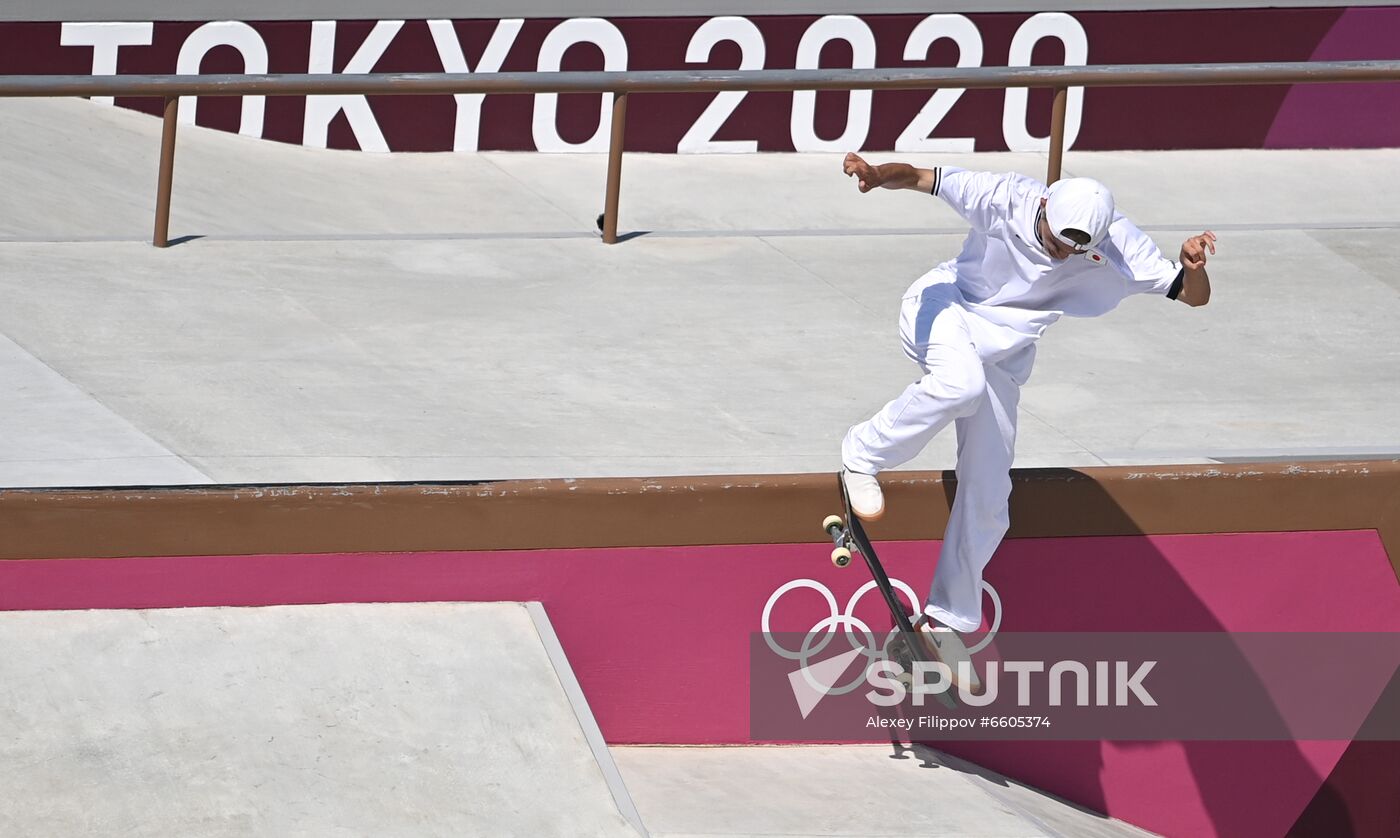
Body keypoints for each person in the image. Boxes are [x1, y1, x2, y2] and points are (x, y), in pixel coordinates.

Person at [839, 151, 1216, 656]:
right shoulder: (1007, 196)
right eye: (1057, 240)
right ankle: (862, 454)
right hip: (945, 308)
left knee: (992, 490)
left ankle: (946, 617)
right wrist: (877, 175)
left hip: (1002, 350)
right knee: (959, 385)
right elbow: (924, 177)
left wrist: (1192, 267)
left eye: (1076, 249)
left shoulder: (1120, 245)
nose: (1063, 255)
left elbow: (1191, 296)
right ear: (1043, 209)